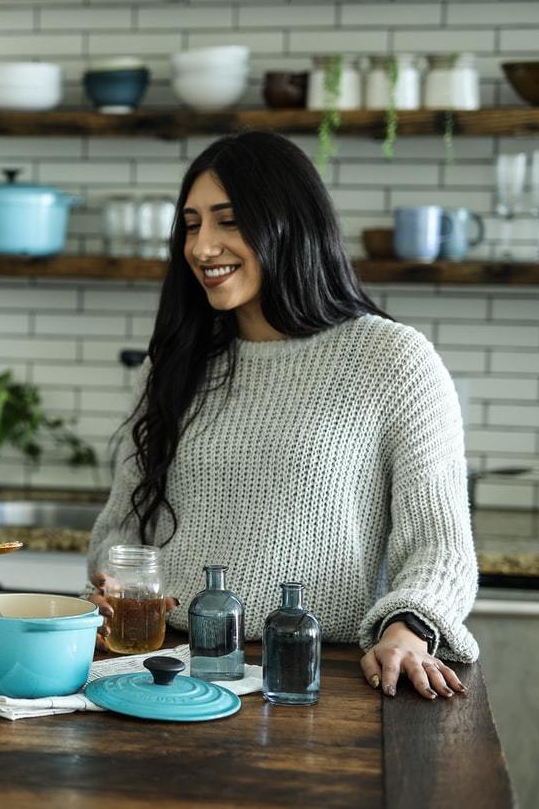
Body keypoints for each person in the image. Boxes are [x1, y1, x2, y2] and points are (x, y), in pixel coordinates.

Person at [86, 130, 479, 701]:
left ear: (289, 224)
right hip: (168, 673)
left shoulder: (393, 360)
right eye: (192, 225)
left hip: (314, 677)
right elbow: (122, 529)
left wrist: (408, 629)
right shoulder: (176, 364)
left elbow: (439, 547)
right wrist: (113, 583)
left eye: (229, 221)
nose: (202, 247)